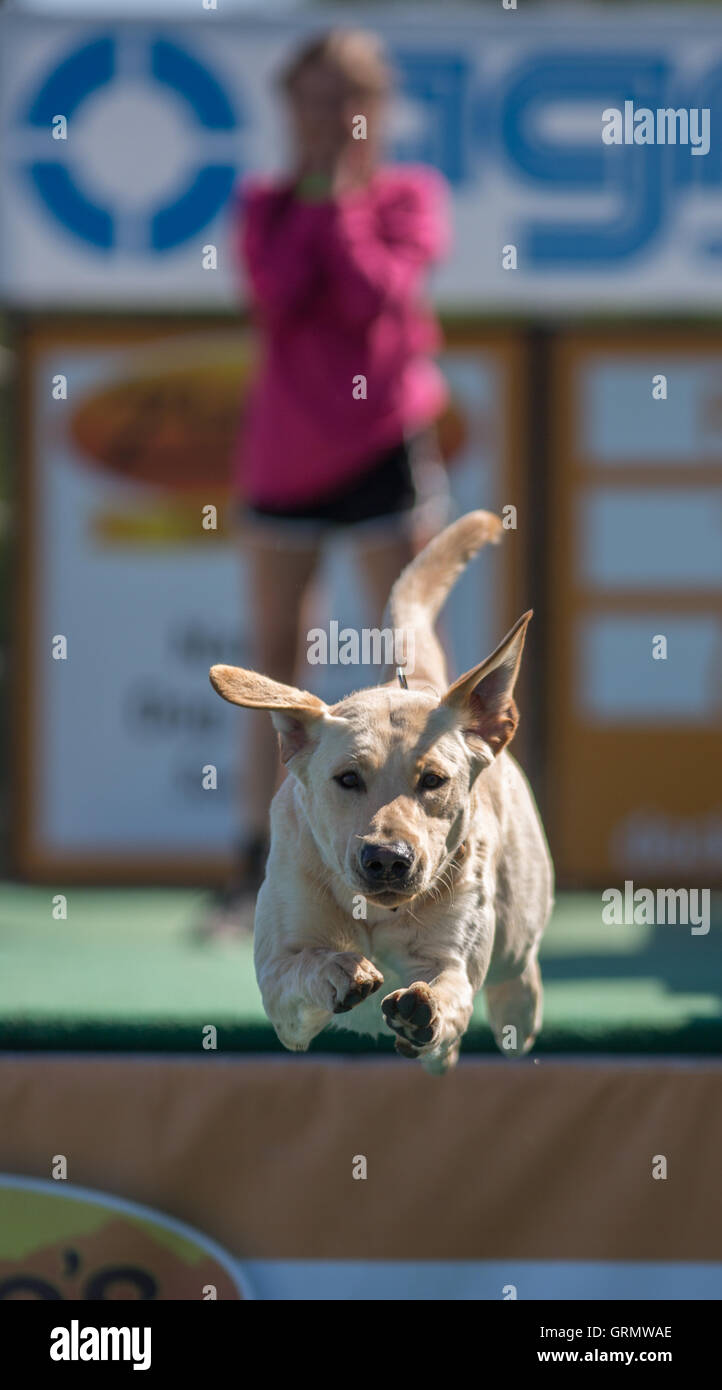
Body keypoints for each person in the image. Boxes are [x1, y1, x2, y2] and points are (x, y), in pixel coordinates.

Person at [201, 28, 451, 935]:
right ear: (288, 107)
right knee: (275, 662)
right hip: (285, 458)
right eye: (309, 97)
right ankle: (259, 869)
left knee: (409, 652)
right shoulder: (265, 205)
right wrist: (316, 200)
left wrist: (342, 198)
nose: (326, 114)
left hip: (383, 442)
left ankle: (430, 862)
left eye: (345, 95)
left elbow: (375, 298)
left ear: (374, 107)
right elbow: (277, 296)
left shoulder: (409, 198)